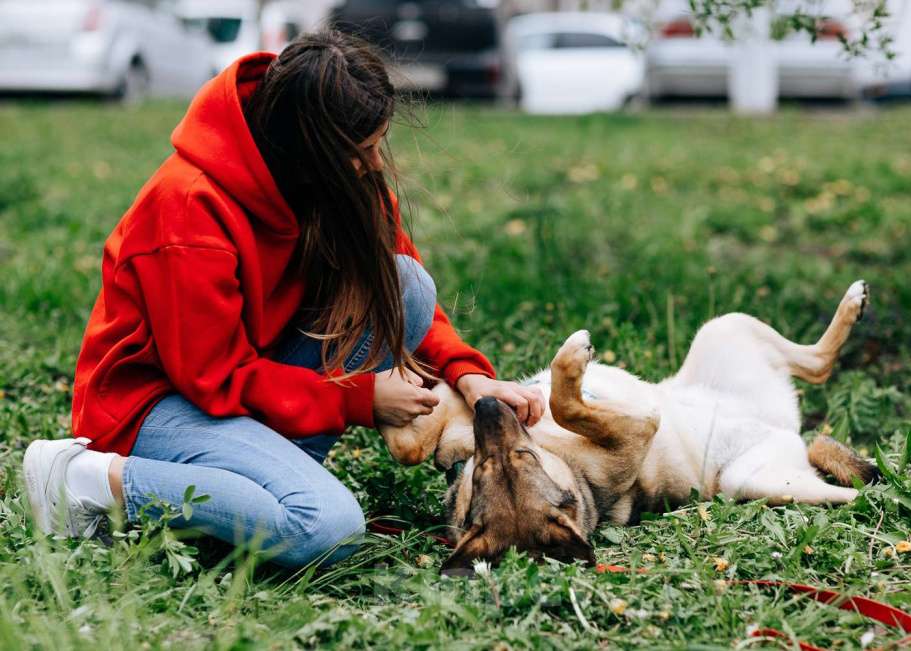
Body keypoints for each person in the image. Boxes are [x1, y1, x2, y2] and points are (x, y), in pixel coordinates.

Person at [22, 29, 544, 569]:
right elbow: (213, 378)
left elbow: (398, 296)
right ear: (310, 151)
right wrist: (356, 398)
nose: (375, 165)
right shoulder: (187, 208)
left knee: (407, 284)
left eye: (376, 144)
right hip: (157, 406)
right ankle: (85, 481)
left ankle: (255, 488)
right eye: (360, 151)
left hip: (254, 379)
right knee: (326, 527)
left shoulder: (336, 178)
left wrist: (469, 375)